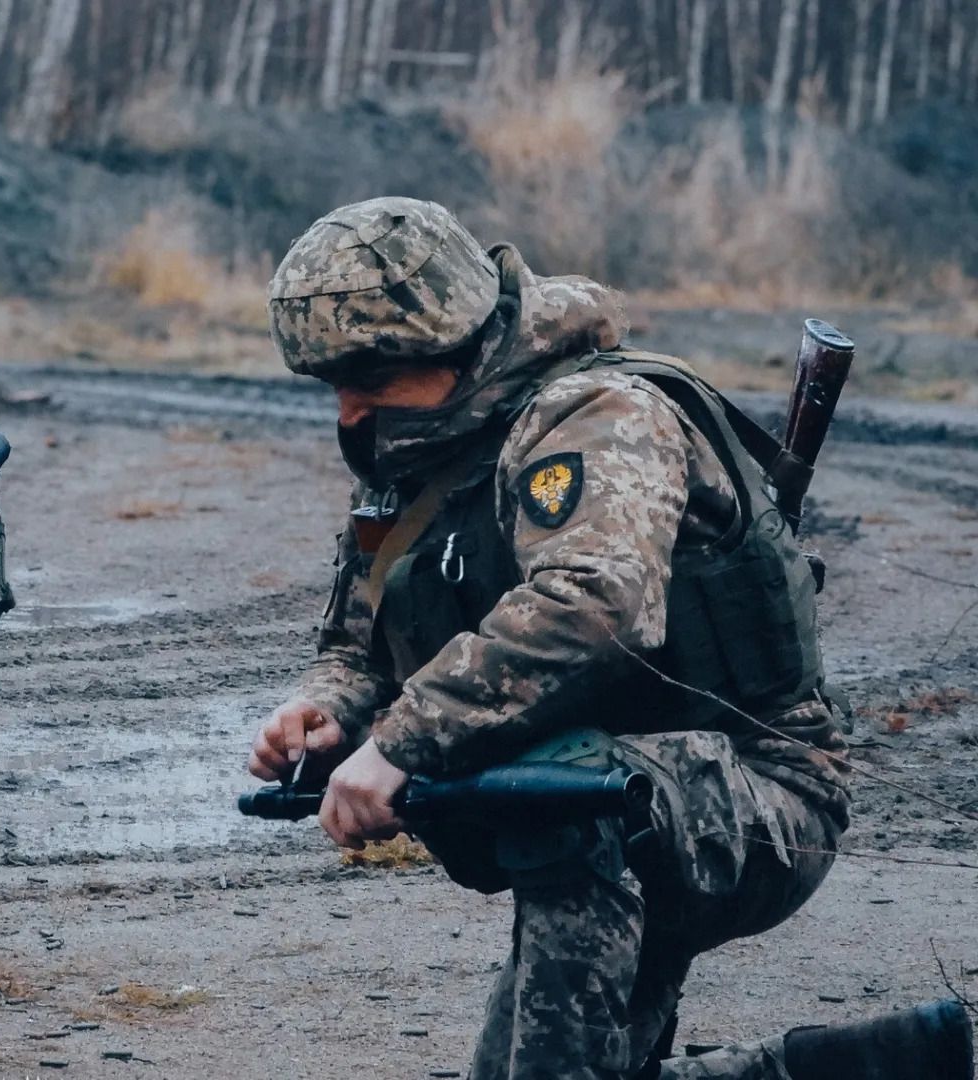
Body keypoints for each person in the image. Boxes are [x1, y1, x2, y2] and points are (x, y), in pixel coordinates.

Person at [247, 196, 972, 1080]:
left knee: (564, 806)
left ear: (452, 346)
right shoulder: (426, 442)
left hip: (756, 788)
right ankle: (875, 1065)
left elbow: (595, 602)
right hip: (597, 783)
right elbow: (358, 639)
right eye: (333, 381)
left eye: (367, 374)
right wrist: (326, 708)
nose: (351, 407)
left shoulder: (599, 415)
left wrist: (403, 741)